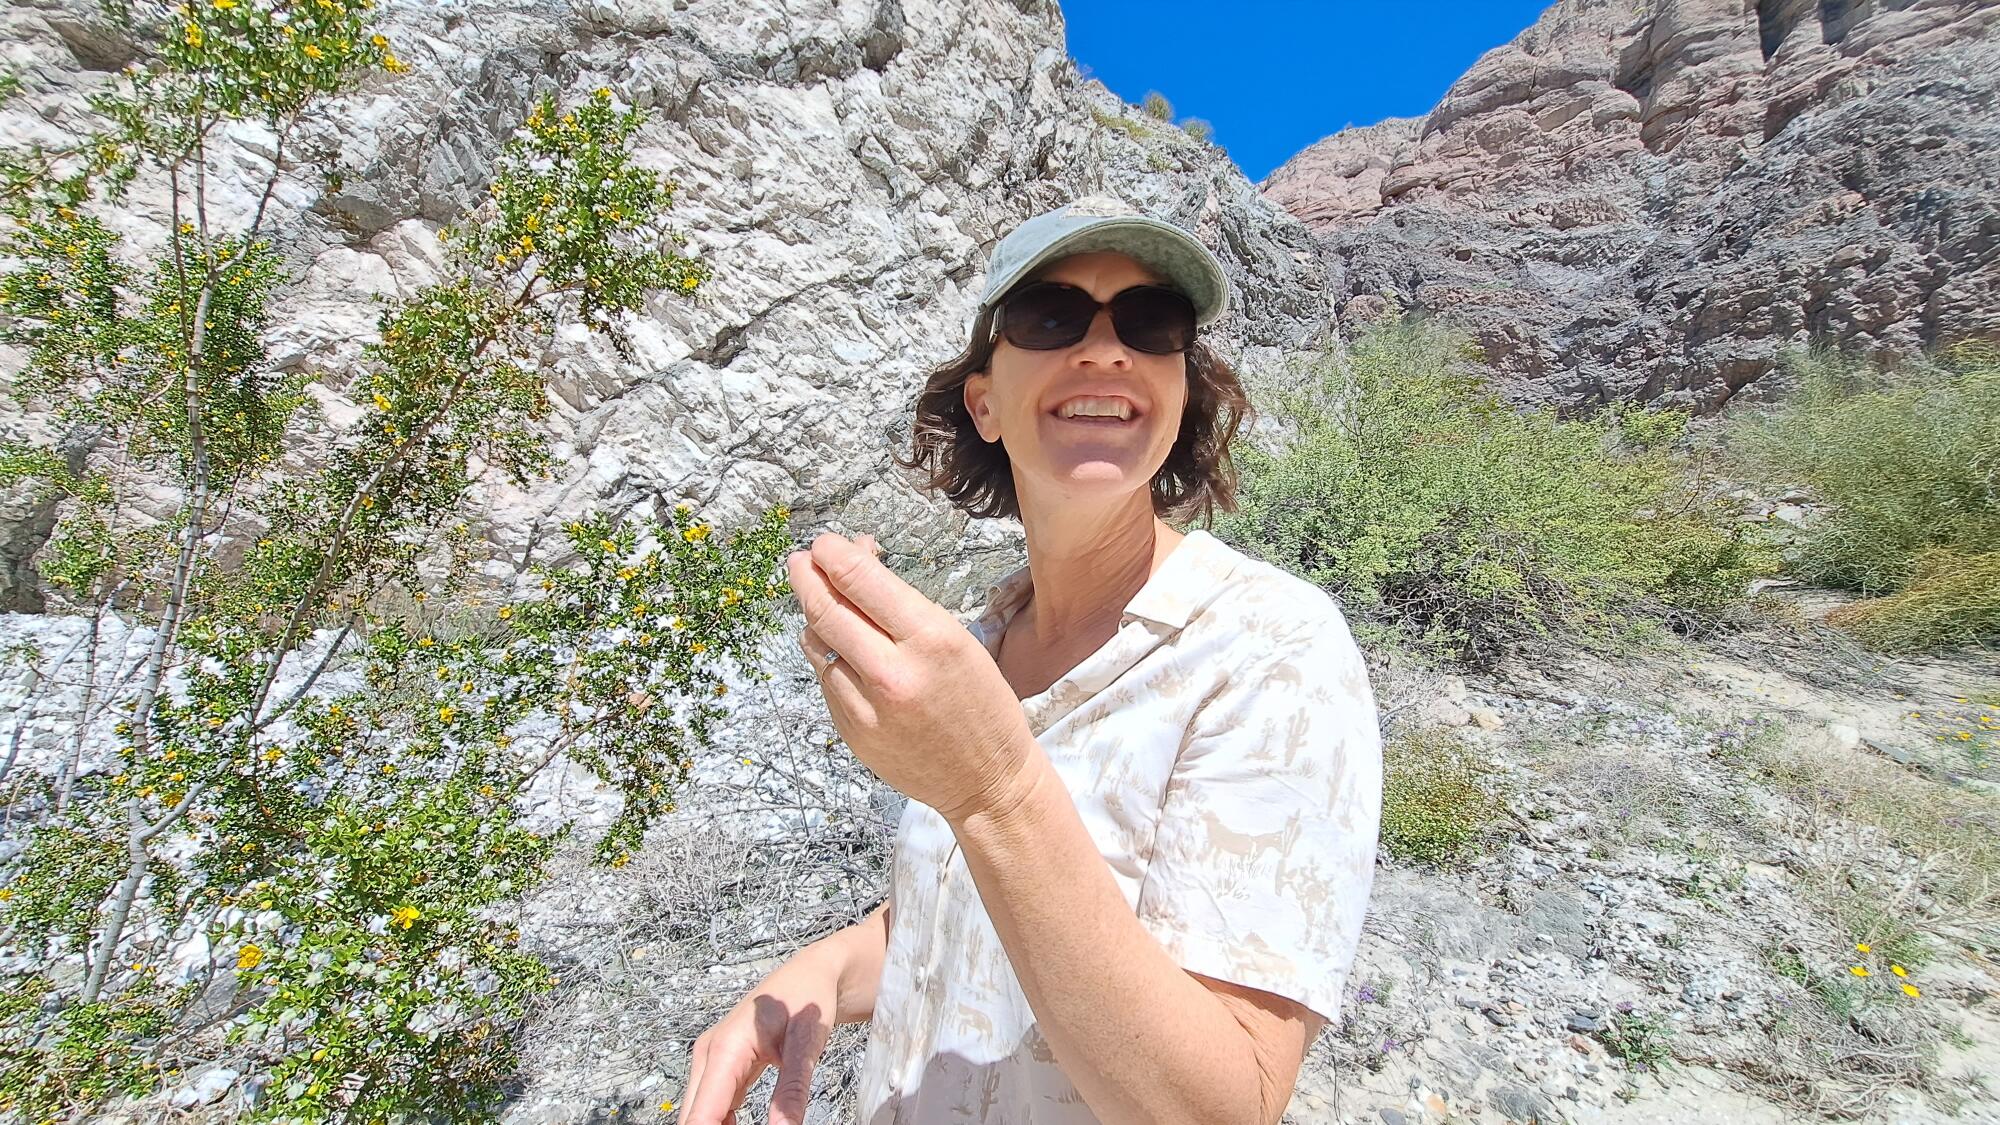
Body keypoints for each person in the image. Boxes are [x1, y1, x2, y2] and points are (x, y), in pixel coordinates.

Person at [676, 194, 1383, 1125]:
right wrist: (821, 975)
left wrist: (996, 786)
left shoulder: (1266, 647)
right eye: (1050, 316)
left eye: (1151, 321)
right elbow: (960, 909)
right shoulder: (972, 651)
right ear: (985, 401)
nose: (1105, 351)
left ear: (1178, 394)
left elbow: (1225, 1103)